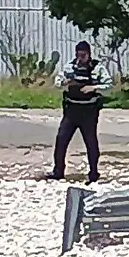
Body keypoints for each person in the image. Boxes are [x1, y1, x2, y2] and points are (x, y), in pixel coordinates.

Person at [44, 40, 113, 184]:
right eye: (78, 55)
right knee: (61, 139)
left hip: (88, 112)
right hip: (71, 111)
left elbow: (109, 85)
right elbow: (58, 81)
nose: (80, 58)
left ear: (89, 54)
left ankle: (93, 173)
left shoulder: (97, 68)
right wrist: (64, 83)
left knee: (90, 142)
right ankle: (58, 172)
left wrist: (93, 88)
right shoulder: (70, 67)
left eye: (83, 55)